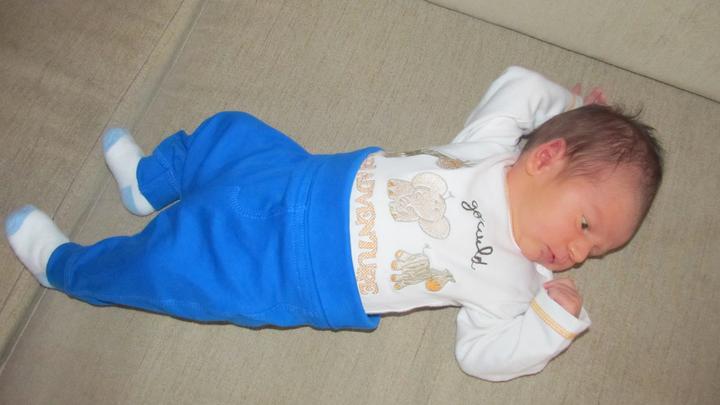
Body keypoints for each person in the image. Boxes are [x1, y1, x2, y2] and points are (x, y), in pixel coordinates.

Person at [4, 66, 662, 381]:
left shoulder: (513, 281)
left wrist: (548, 325)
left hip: (294, 274)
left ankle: (67, 268)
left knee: (167, 264)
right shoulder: (493, 147)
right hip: (302, 176)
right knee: (228, 133)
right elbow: (518, 84)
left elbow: (480, 357)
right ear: (546, 158)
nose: (578, 251)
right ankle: (149, 183)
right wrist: (575, 108)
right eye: (585, 223)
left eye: (597, 248)